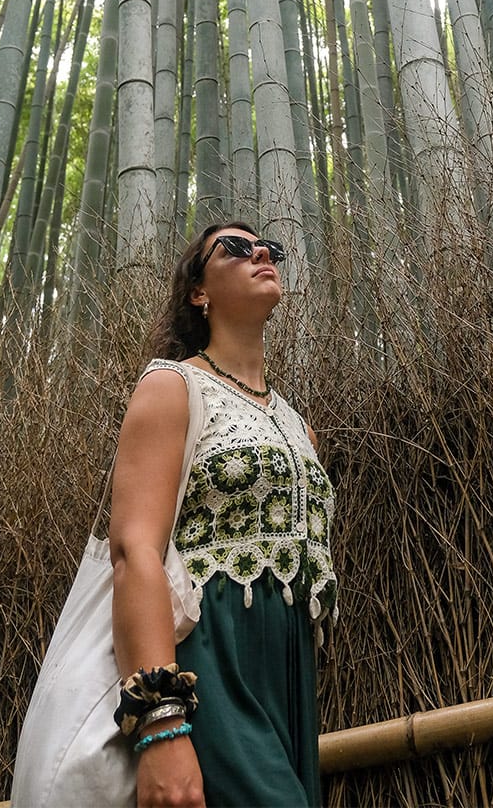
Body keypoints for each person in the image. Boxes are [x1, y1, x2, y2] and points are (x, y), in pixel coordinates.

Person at [109, 221, 337, 808]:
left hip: (288, 678)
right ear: (198, 292)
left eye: (269, 247)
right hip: (206, 666)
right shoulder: (173, 386)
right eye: (235, 248)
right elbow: (134, 549)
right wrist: (161, 721)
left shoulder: (297, 423)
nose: (260, 251)